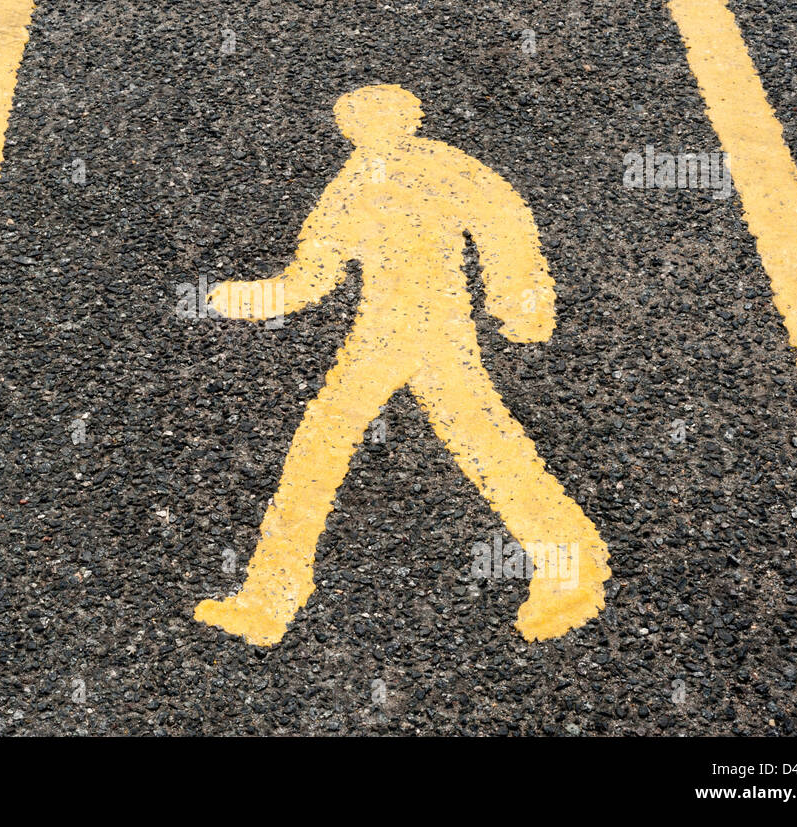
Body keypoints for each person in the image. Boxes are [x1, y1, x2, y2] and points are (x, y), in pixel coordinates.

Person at [195, 84, 610, 646]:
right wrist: (248, 299)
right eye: (363, 120)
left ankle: (269, 598)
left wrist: (518, 300)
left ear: (408, 119)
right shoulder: (349, 186)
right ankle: (268, 598)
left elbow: (502, 221)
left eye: (384, 116)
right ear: (351, 129)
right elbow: (312, 275)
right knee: (341, 447)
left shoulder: (438, 167)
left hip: (435, 331)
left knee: (466, 446)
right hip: (383, 334)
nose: (374, 127)